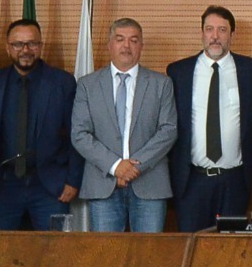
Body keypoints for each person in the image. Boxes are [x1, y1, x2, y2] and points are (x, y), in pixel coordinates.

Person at [166, 5, 252, 232]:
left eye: (222, 30)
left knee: (229, 252)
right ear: (202, 33)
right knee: (191, 247)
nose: (215, 36)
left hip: (233, 180)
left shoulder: (251, 69)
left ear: (232, 34)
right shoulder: (178, 71)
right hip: (192, 180)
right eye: (209, 29)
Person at [71, 17, 177, 232]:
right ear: (110, 45)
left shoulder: (161, 83)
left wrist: (134, 168)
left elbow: (168, 130)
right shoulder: (87, 85)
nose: (126, 46)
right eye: (120, 39)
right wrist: (116, 166)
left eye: (133, 40)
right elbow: (80, 134)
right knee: (106, 258)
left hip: (150, 183)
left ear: (141, 46)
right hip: (103, 183)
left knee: (148, 256)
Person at [0, 19, 82, 231]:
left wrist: (73, 180)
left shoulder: (62, 82)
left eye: (32, 44)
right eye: (18, 44)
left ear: (40, 46)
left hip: (50, 187)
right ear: (8, 48)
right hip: (2, 187)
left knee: (55, 252)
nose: (25, 50)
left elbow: (77, 134)